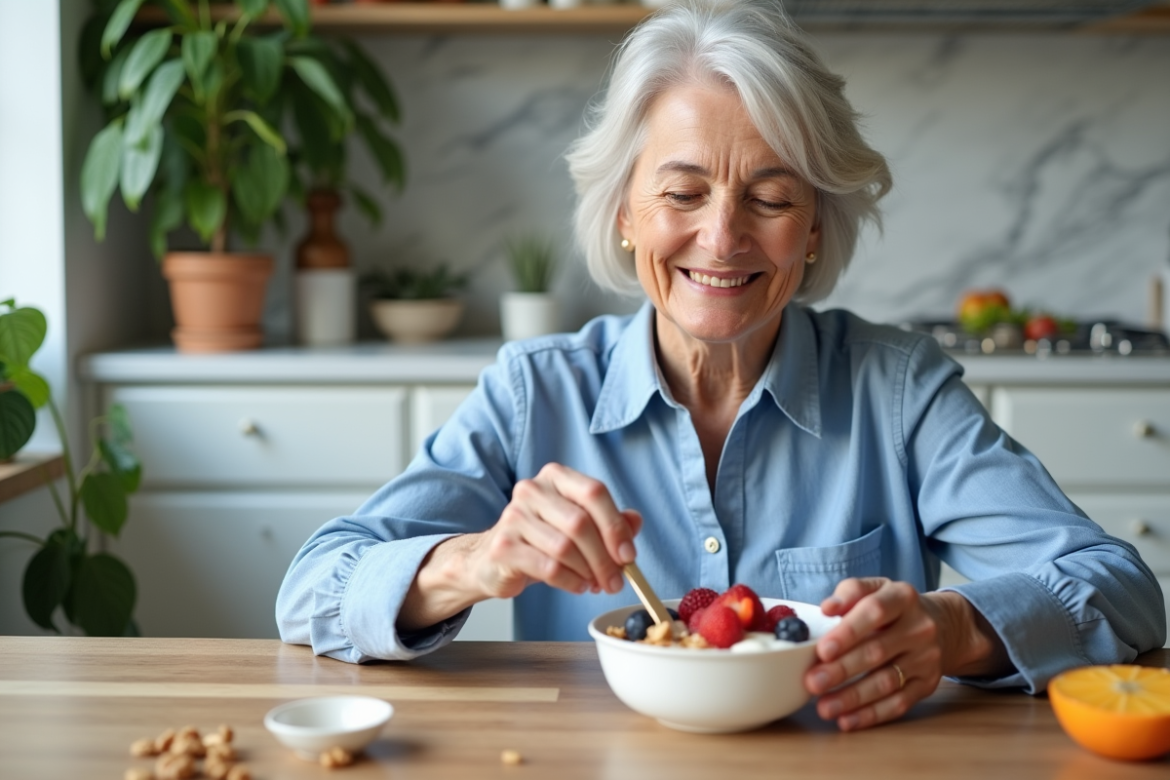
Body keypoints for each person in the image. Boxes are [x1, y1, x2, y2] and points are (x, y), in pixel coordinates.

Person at [277, 0, 1165, 732]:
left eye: (771, 197)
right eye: (682, 192)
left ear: (815, 226)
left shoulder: (897, 393)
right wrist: (474, 560)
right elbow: (313, 589)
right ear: (626, 211)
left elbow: (1123, 588)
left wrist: (955, 629)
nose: (723, 237)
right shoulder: (534, 392)